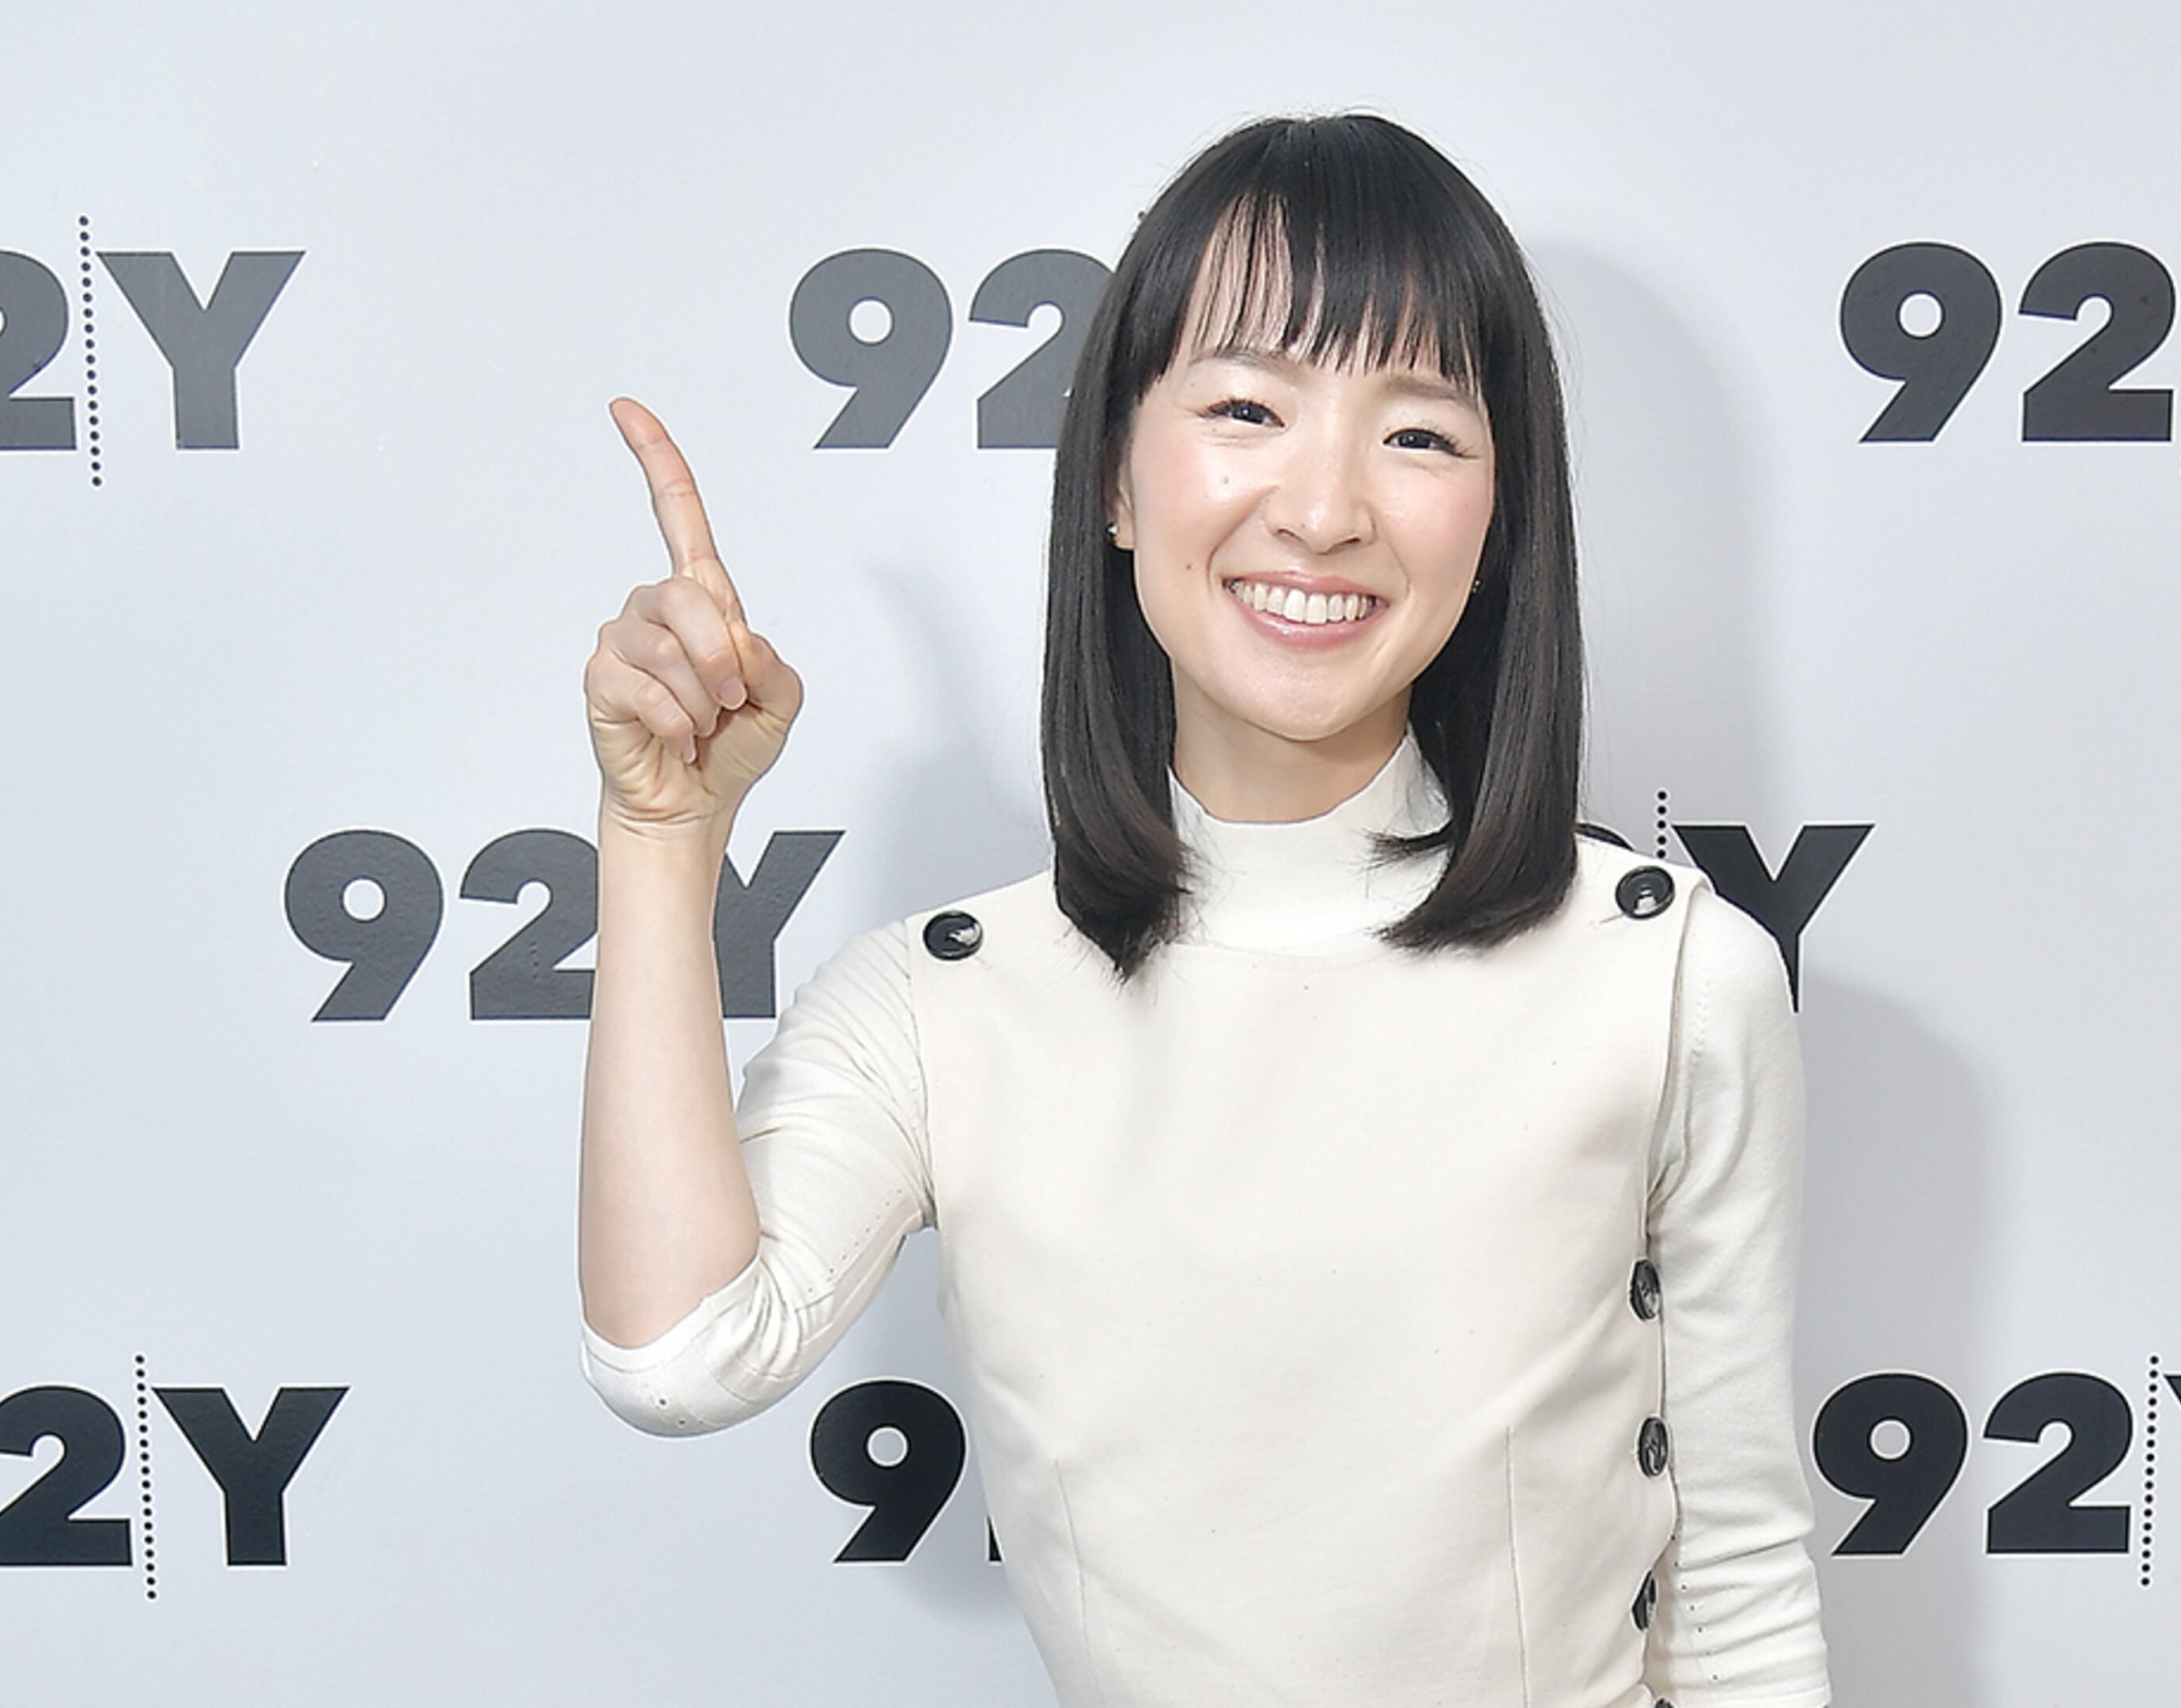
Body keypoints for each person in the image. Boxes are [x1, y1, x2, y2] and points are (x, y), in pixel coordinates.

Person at [576, 113, 1831, 1708]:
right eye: (1247, 407)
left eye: (1421, 435)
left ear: (1502, 522)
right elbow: (679, 1358)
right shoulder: (942, 1003)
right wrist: (660, 833)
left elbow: (1737, 1592)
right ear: (1114, 478)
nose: (1322, 511)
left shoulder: (1667, 974)